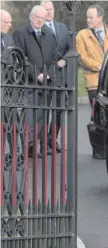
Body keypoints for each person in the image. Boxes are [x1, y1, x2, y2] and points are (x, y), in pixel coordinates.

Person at [13, 5, 57, 157]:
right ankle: (28, 147)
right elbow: (20, 57)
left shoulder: (49, 34)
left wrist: (48, 74)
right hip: (29, 83)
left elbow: (54, 58)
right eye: (38, 17)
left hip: (46, 83)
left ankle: (39, 145)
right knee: (30, 117)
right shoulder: (21, 33)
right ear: (31, 17)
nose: (40, 20)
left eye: (43, 18)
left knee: (43, 116)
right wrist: (35, 74)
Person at [40, 0, 71, 153]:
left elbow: (70, 48)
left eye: (51, 9)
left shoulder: (63, 27)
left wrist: (64, 60)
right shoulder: (38, 28)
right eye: (46, 9)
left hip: (61, 76)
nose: (49, 12)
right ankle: (43, 142)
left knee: (58, 110)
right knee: (45, 110)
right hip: (46, 75)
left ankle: (53, 140)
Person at [76, 4, 108, 107]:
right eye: (87, 17)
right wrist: (101, 67)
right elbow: (82, 58)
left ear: (100, 18)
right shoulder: (82, 35)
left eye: (91, 18)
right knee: (97, 114)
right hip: (94, 83)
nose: (88, 20)